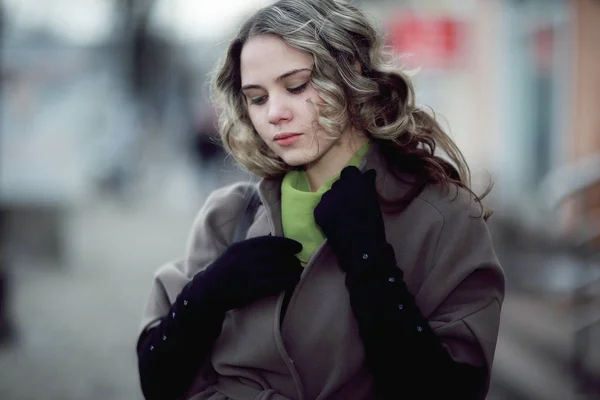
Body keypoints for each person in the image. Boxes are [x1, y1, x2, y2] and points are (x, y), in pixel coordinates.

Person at [136, 0, 505, 399]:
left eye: (296, 85)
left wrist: (370, 265)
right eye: (257, 98)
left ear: (353, 74)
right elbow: (159, 383)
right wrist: (204, 298)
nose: (275, 112)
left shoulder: (443, 218)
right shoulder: (228, 216)